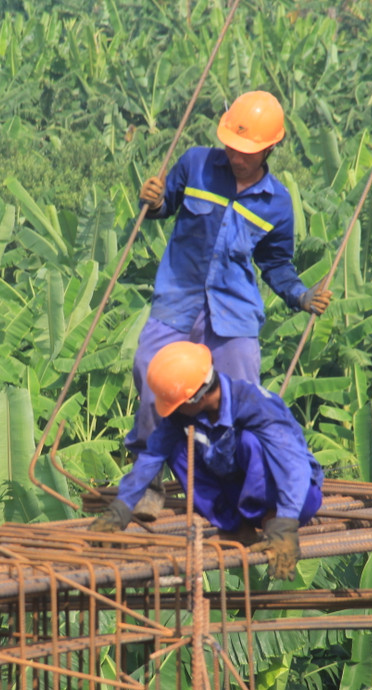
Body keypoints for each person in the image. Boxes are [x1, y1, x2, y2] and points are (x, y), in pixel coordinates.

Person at [125, 90, 332, 519]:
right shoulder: (196, 163)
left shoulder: (277, 203)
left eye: (246, 151)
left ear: (270, 148)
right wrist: (155, 200)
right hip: (177, 299)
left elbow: (275, 264)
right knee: (150, 372)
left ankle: (251, 486)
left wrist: (301, 295)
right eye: (232, 146)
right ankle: (148, 485)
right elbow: (166, 205)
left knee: (241, 396)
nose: (236, 156)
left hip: (233, 311)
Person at [92, 341, 324, 580]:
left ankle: (274, 521)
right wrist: (120, 509)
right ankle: (236, 529)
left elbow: (293, 466)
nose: (172, 411)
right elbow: (152, 455)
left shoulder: (255, 404)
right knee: (176, 449)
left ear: (196, 398)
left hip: (296, 499)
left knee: (248, 441)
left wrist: (285, 522)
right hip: (241, 502)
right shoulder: (181, 417)